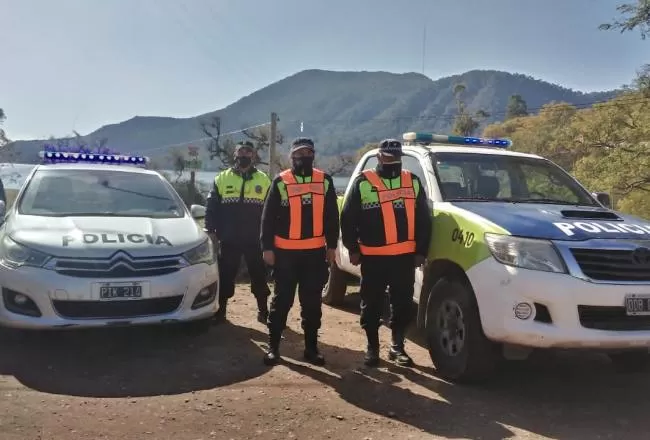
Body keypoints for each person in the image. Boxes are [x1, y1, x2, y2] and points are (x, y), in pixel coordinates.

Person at [340, 139, 432, 367]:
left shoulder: (412, 181)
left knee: (402, 305)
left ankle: (396, 347)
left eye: (396, 157)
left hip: (404, 259)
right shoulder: (364, 182)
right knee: (371, 304)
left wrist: (421, 251)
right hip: (373, 259)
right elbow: (348, 218)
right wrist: (352, 248)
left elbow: (423, 220)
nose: (392, 161)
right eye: (388, 157)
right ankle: (372, 348)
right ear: (379, 157)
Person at [260, 137, 339, 366]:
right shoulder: (281, 181)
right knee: (281, 302)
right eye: (299, 153)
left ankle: (311, 349)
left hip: (314, 256)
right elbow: (267, 219)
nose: (303, 156)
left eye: (308, 153)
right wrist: (267, 248)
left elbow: (332, 217)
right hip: (285, 255)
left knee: (312, 305)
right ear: (291, 156)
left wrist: (332, 246)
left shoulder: (324, 181)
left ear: (313, 155)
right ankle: (273, 348)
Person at [204, 141, 272, 323]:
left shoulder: (263, 179)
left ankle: (263, 311)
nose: (244, 154)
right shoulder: (222, 178)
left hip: (255, 239)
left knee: (259, 275)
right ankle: (221, 311)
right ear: (235, 154)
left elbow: (271, 211)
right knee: (226, 275)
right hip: (229, 238)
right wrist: (211, 230)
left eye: (248, 152)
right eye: (241, 151)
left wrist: (270, 235)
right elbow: (211, 207)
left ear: (253, 155)